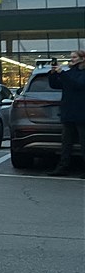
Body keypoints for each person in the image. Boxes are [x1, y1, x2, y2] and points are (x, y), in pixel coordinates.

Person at [47, 49, 85, 178]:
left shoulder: (80, 74)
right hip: (68, 112)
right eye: (71, 57)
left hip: (82, 113)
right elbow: (56, 85)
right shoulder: (70, 72)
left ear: (82, 58)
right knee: (66, 143)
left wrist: (62, 73)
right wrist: (52, 74)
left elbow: (78, 85)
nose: (72, 59)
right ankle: (63, 167)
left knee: (83, 142)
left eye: (74, 57)